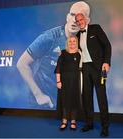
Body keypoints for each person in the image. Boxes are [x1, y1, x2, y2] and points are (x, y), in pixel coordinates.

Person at [16, 1, 88, 109]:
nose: (74, 20)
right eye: (72, 15)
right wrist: (38, 95)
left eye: (79, 17)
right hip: (43, 104)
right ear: (67, 17)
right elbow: (21, 64)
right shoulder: (49, 37)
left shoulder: (85, 41)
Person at [75, 2, 112, 137]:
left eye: (81, 19)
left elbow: (107, 46)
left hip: (98, 68)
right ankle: (89, 123)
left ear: (85, 19)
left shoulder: (96, 29)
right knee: (87, 97)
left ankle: (105, 127)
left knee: (101, 98)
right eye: (77, 21)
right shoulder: (77, 35)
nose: (80, 22)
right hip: (85, 68)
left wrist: (106, 62)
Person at [55, 36, 81, 130]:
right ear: (67, 43)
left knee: (74, 100)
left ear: (76, 42)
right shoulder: (63, 53)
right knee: (64, 100)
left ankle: (73, 121)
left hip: (75, 81)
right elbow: (58, 68)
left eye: (74, 41)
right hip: (64, 81)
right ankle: (64, 120)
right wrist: (58, 81)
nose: (72, 43)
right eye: (70, 41)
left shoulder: (79, 54)